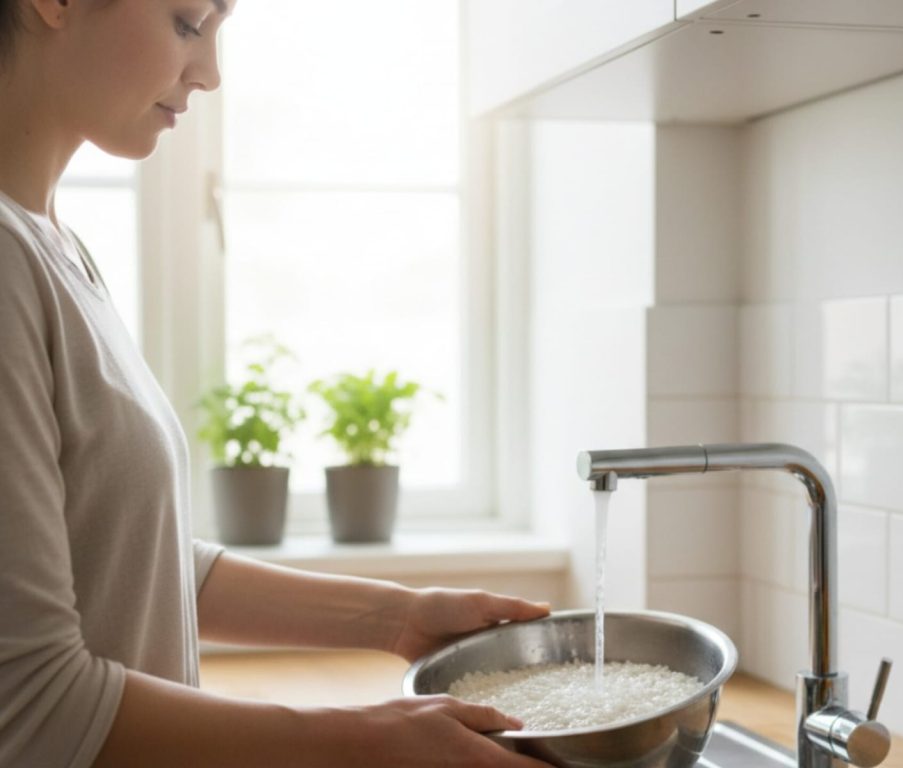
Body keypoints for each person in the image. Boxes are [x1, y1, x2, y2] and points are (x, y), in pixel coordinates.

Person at [0, 1, 553, 766]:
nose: (211, 73)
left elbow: (132, 562)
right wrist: (369, 741)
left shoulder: (52, 245)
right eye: (188, 22)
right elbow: (34, 703)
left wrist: (399, 619)